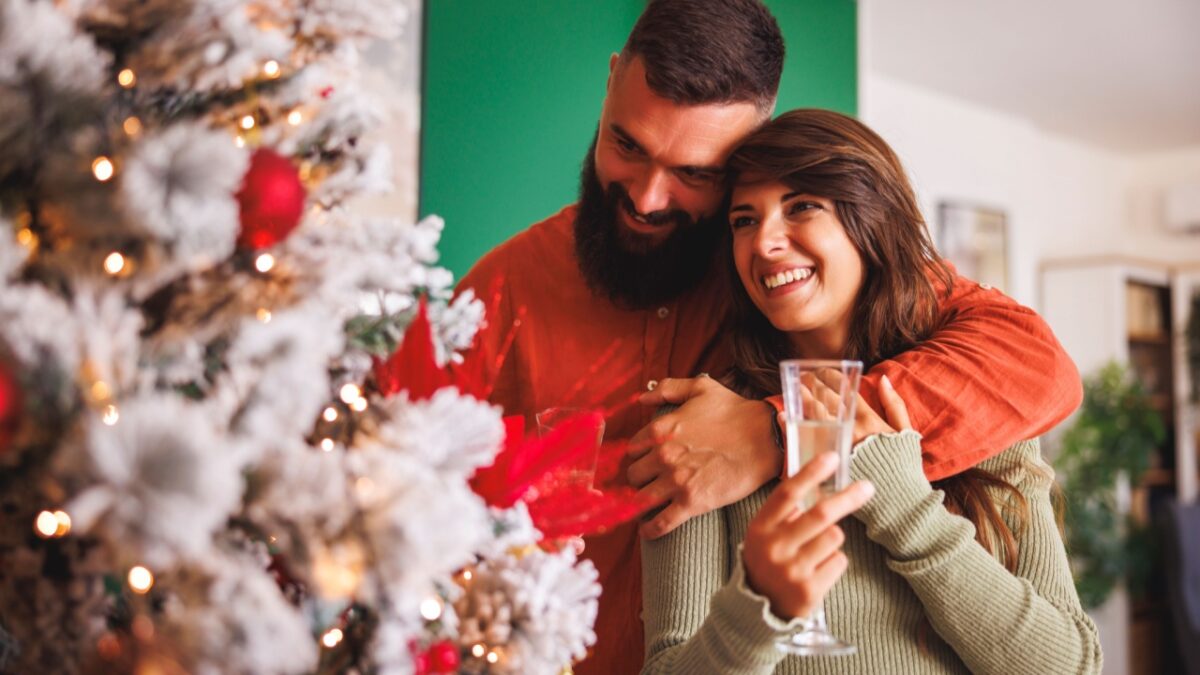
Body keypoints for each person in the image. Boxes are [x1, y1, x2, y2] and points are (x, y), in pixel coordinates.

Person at [458, 2, 1081, 673]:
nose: (646, 197)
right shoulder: (500, 292)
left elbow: (1038, 364)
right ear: (611, 83)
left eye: (695, 174)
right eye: (627, 145)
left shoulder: (813, 305)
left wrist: (779, 433)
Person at [640, 108, 1101, 674]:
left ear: (872, 219)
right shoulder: (707, 431)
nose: (765, 242)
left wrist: (905, 506)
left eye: (801, 206)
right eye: (743, 220)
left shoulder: (970, 397)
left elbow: (1068, 667)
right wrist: (755, 612)